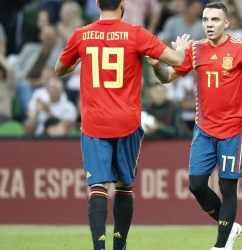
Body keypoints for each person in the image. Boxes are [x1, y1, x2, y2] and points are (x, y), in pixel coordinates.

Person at [55, 0, 191, 249]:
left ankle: (99, 247)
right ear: (123, 4)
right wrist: (181, 49)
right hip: (126, 122)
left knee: (97, 186)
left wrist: (79, 59)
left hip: (94, 122)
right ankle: (119, 245)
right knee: (124, 185)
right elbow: (176, 60)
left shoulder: (81, 35)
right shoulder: (136, 33)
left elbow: (59, 69)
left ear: (97, 3)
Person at [147, 2, 242, 250]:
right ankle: (230, 226)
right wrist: (155, 66)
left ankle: (221, 245)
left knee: (227, 188)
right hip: (204, 130)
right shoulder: (195, 50)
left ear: (226, 23)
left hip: (232, 131)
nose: (209, 24)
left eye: (215, 20)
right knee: (196, 185)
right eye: (206, 20)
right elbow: (167, 77)